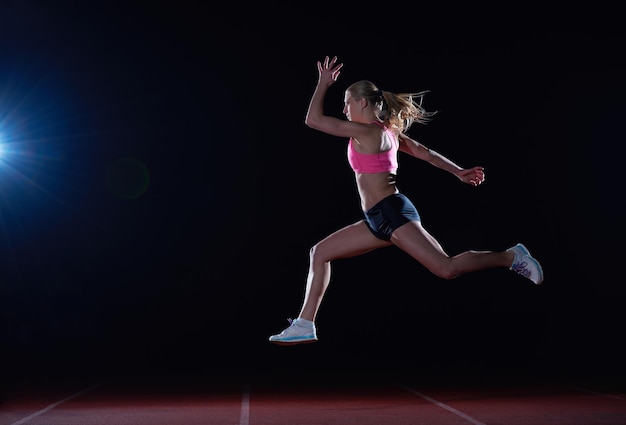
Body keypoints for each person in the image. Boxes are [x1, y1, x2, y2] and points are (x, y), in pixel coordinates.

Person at [268, 56, 543, 346]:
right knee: (320, 252)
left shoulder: (368, 132)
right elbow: (426, 152)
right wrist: (458, 171)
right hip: (378, 217)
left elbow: (313, 120)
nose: (344, 108)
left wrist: (323, 84)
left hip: (391, 212)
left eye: (347, 102)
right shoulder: (389, 131)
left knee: (446, 268)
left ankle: (511, 257)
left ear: (362, 103)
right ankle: (305, 323)